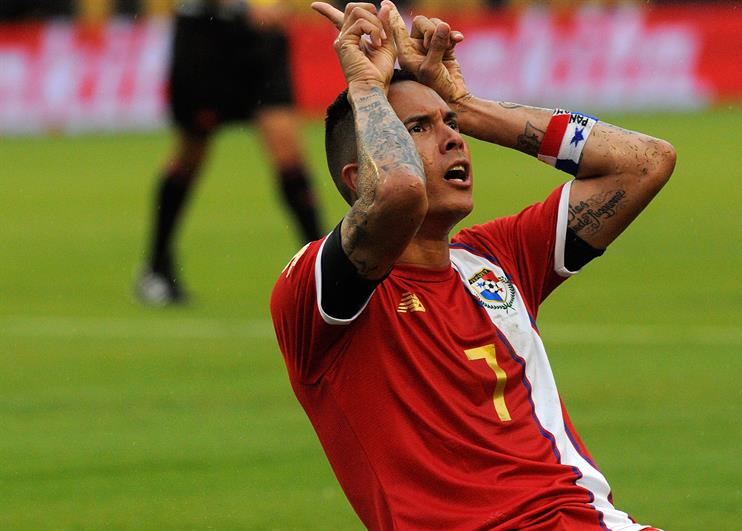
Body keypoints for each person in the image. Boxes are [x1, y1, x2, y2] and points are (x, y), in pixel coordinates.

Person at [271, 1, 676, 529]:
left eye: (451, 124)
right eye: (419, 127)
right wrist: (366, 89)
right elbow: (396, 191)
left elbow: (645, 162)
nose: (453, 137)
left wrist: (468, 102)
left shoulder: (498, 258)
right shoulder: (316, 292)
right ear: (356, 176)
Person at [136, 0, 323, 305]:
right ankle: (156, 267)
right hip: (208, 35)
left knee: (289, 154)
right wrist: (243, 8)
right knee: (189, 157)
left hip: (263, 39)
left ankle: (323, 270)